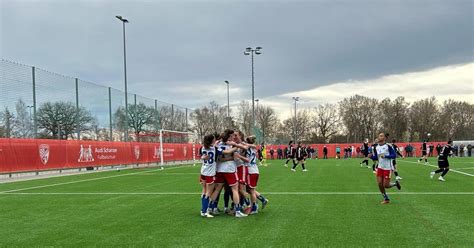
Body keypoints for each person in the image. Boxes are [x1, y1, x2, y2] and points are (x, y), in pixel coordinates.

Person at [209, 129, 249, 218]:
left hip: (219, 169)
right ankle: (238, 211)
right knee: (235, 189)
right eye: (233, 135)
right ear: (230, 136)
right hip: (230, 169)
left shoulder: (218, 144)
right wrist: (235, 146)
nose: (234, 137)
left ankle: (210, 208)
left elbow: (219, 157)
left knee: (217, 190)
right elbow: (244, 148)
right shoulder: (232, 144)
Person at [375, 133, 401, 204]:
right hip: (380, 167)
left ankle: (395, 184)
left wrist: (386, 156)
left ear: (384, 138)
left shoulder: (388, 146)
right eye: (379, 136)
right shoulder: (377, 147)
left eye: (381, 136)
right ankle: (386, 198)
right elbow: (377, 157)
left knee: (386, 185)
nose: (380, 137)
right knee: (379, 183)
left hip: (388, 168)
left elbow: (394, 155)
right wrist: (371, 156)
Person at [199, 134, 219, 218]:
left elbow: (201, 156)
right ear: (212, 141)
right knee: (208, 193)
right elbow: (222, 153)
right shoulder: (215, 149)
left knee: (204, 190)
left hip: (203, 171)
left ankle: (202, 210)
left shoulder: (201, 148)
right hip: (210, 173)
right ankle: (205, 211)